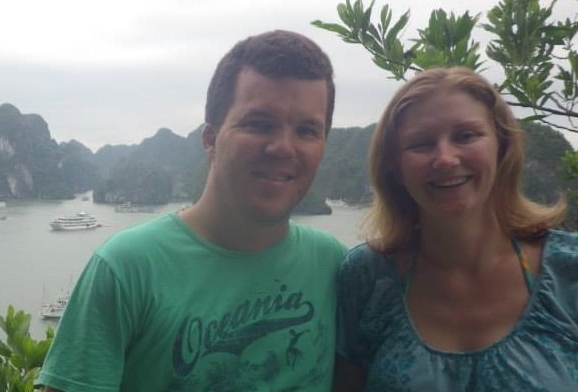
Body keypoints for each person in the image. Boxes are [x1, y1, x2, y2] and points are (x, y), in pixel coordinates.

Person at [38, 29, 347, 392]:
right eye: (259, 124)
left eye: (307, 130)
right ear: (211, 139)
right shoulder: (127, 270)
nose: (282, 147)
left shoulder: (336, 267)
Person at [334, 66, 578, 391]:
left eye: (466, 136)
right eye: (421, 144)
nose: (445, 158)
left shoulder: (568, 269)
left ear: (501, 147)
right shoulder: (368, 277)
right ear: (395, 166)